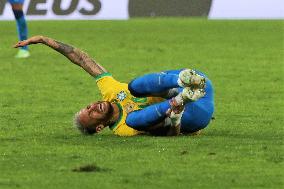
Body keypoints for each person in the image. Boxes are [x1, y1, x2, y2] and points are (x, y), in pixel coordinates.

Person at [14, 35, 214, 136]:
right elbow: (170, 132)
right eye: (91, 115)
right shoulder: (123, 130)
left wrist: (44, 40)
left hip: (199, 84)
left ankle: (181, 81)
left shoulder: (110, 91)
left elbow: (82, 59)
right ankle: (179, 98)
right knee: (134, 120)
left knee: (134, 86)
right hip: (196, 113)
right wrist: (177, 115)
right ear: (100, 127)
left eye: (87, 107)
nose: (92, 107)